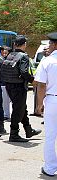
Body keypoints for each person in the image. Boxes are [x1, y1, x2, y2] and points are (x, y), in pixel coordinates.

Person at [1, 35, 41, 142]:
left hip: (9, 85)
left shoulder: (10, 55)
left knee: (22, 107)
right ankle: (14, 134)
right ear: (24, 45)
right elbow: (24, 72)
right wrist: (32, 80)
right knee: (18, 109)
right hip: (19, 87)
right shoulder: (23, 56)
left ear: (14, 45)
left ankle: (28, 130)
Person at [35, 32, 57, 177]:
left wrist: (39, 104)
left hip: (52, 100)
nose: (48, 46)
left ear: (55, 45)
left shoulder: (47, 61)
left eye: (49, 43)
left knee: (50, 136)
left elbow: (41, 85)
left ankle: (50, 168)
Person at [0, 46, 12, 121]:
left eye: (6, 53)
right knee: (5, 101)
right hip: (3, 83)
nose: (4, 54)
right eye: (3, 53)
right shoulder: (1, 60)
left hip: (10, 83)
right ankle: (6, 115)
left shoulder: (10, 61)